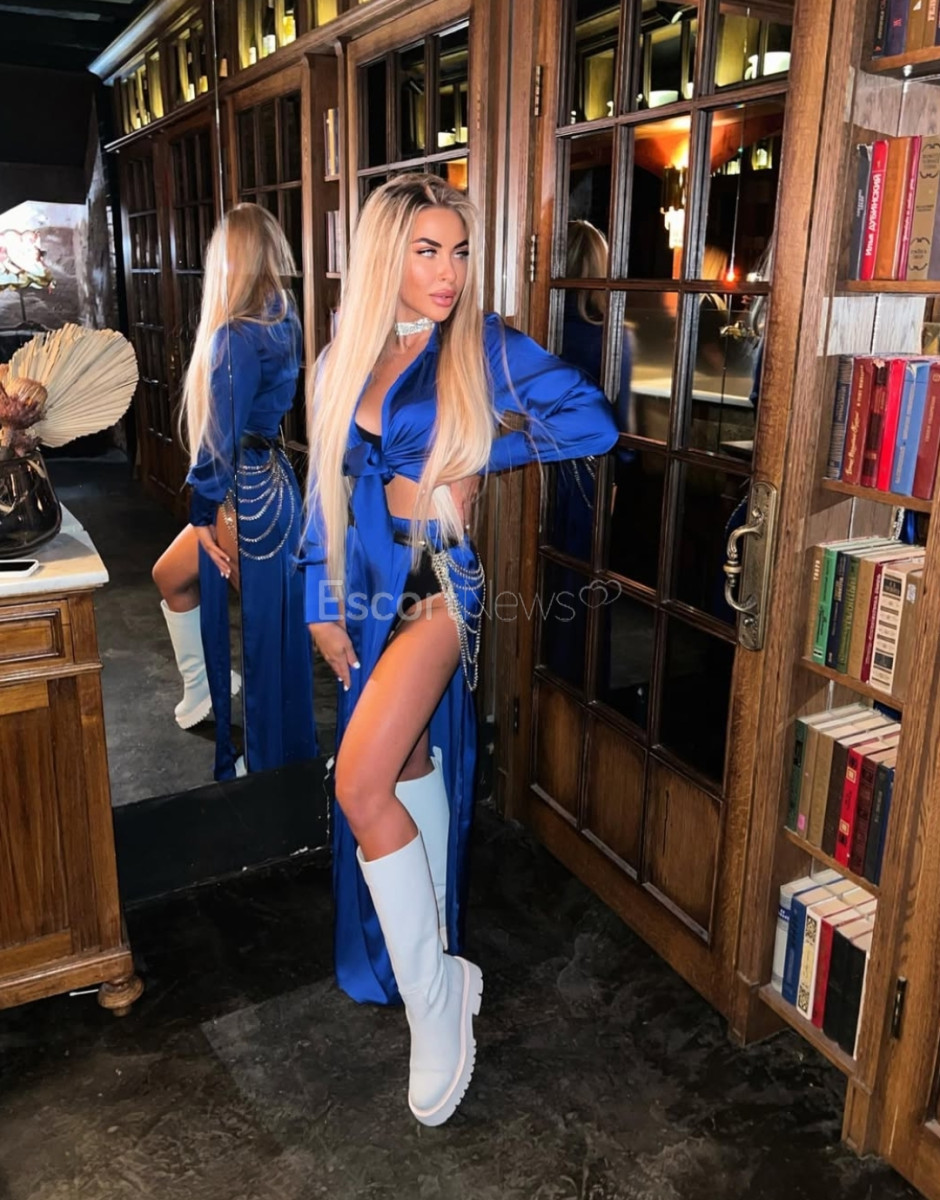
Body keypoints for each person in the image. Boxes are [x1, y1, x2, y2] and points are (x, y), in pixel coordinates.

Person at [301, 174, 619, 1127]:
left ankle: (435, 1003)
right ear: (385, 256)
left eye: (460, 251)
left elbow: (593, 422)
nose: (448, 272)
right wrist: (321, 602)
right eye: (428, 250)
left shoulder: (482, 346)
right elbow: (324, 487)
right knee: (404, 764)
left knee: (359, 785)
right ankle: (440, 955)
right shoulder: (345, 356)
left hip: (438, 581)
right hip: (364, 584)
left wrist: (477, 450)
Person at [152, 202, 317, 780]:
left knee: (270, 638)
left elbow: (220, 437)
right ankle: (207, 691)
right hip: (274, 484)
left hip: (242, 495)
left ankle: (271, 765)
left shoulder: (236, 335)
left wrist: (202, 511)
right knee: (180, 581)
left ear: (229, 258)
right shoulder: (283, 319)